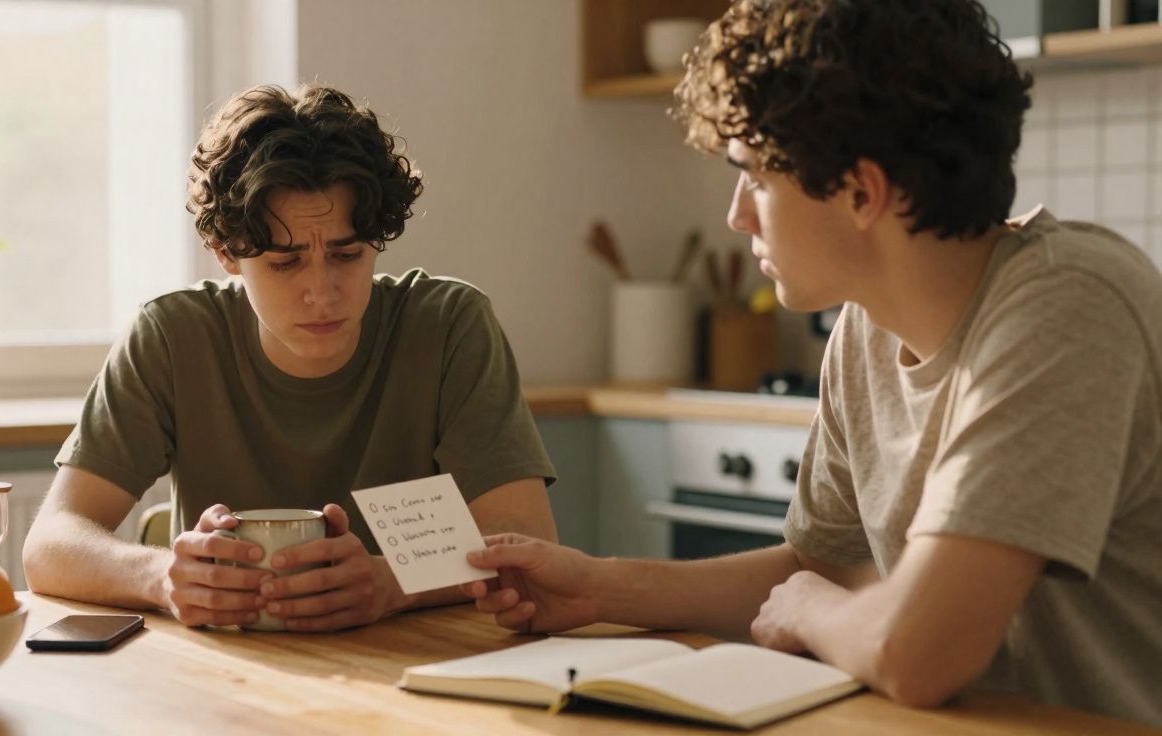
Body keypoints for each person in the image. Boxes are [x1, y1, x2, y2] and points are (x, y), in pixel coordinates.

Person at [461, 0, 1162, 726]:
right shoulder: (863, 329)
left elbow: (915, 652)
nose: (737, 215)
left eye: (755, 178)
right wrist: (600, 587)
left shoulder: (1069, 307)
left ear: (862, 192)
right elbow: (813, 567)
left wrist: (817, 610)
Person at [23, 84, 558, 632]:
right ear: (226, 254)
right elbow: (50, 544)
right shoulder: (172, 335)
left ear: (377, 240)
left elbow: (530, 546)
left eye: (347, 255)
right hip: (226, 677)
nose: (321, 292)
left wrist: (390, 583)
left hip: (415, 667)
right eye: (285, 263)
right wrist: (161, 577)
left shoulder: (448, 325)